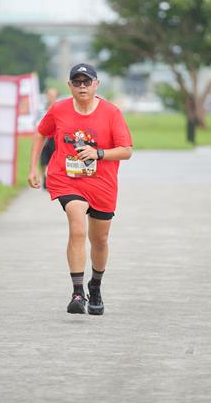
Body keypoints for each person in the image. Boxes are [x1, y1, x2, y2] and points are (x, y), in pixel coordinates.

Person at [28, 63, 133, 315]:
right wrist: (33, 168)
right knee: (77, 229)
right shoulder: (59, 109)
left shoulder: (111, 113)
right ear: (70, 86)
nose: (82, 86)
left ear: (97, 84)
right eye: (77, 82)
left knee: (100, 240)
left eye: (87, 82)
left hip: (102, 183)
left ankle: (95, 285)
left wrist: (98, 153)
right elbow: (41, 133)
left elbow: (126, 150)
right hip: (67, 179)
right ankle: (77, 292)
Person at [39, 88, 59, 188]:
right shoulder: (42, 108)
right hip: (44, 138)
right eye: (49, 95)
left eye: (53, 95)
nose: (51, 97)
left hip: (55, 138)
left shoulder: (59, 108)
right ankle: (44, 177)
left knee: (54, 161)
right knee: (43, 160)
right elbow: (37, 121)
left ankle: (51, 179)